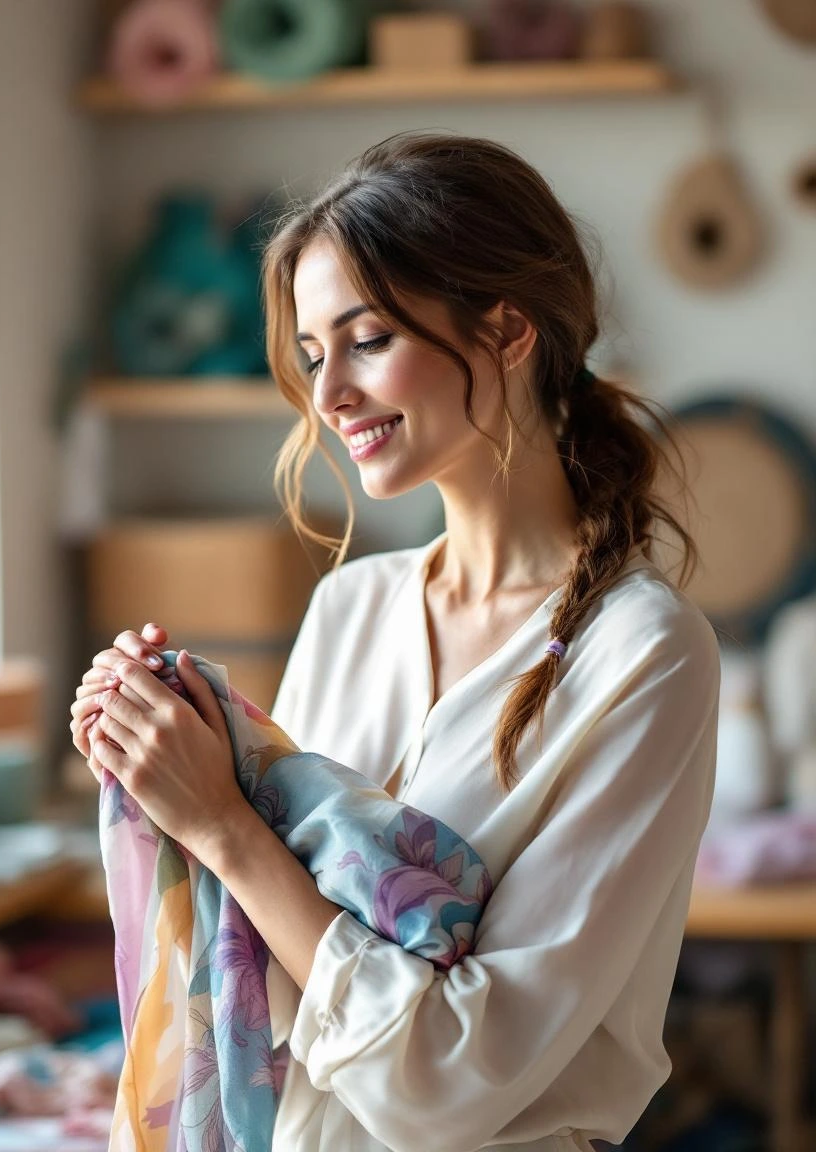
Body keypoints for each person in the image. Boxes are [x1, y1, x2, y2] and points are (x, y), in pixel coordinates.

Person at [69, 132, 720, 1152]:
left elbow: (450, 1084)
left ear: (505, 331)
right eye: (314, 354)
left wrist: (223, 826)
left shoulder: (641, 652)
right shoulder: (350, 608)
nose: (327, 398)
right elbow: (273, 976)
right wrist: (166, 756)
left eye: (365, 340)